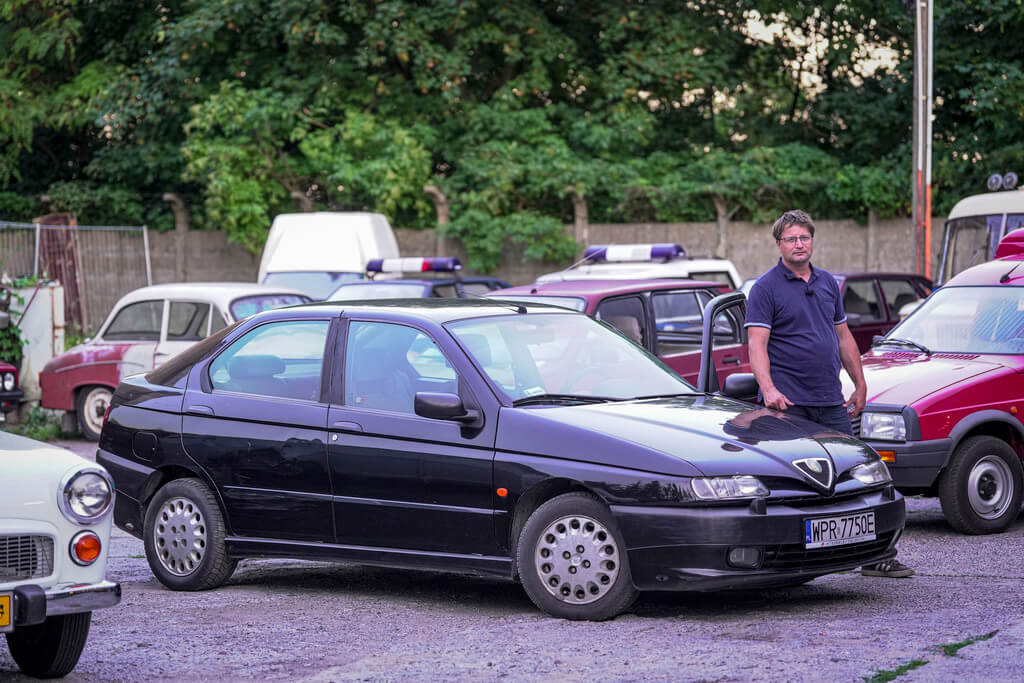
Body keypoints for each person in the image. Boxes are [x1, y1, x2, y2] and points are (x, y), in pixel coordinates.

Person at [745, 209, 914, 579]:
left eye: (804, 237)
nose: (798, 244)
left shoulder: (826, 284)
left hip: (831, 402)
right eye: (791, 239)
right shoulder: (765, 288)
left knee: (856, 477)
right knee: (793, 484)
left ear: (812, 240)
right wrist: (769, 389)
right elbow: (756, 345)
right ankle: (788, 560)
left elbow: (843, 338)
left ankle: (876, 554)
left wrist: (861, 383)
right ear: (779, 244)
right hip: (787, 406)